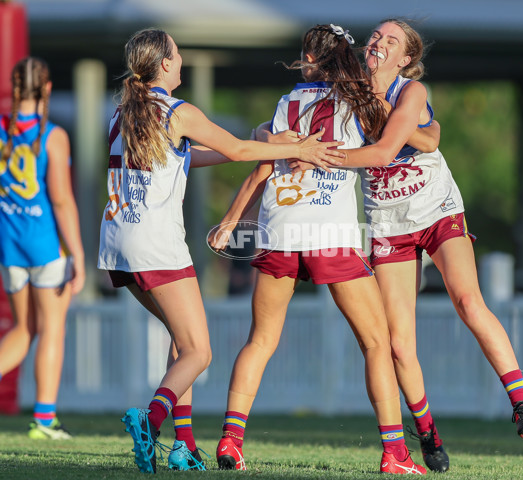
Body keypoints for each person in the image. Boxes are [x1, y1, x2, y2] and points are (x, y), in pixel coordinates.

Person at [292, 18, 523, 472]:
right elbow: (424, 136)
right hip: (388, 222)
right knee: (398, 344)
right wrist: (269, 141)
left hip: (435, 209)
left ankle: (522, 400)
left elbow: (385, 153)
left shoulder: (409, 92)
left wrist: (322, 156)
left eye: (392, 41)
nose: (379, 43)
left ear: (406, 58)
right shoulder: (348, 90)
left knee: (468, 301)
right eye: (375, 37)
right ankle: (426, 430)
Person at [96, 28, 345, 474]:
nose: (181, 58)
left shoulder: (124, 112)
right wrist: (297, 146)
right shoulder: (178, 110)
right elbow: (236, 147)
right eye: (177, 52)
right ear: (166, 63)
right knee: (200, 351)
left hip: (117, 244)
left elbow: (188, 157)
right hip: (157, 245)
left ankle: (185, 446)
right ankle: (150, 422)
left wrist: (257, 147)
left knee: (181, 339)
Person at [209, 24, 433, 475]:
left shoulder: (286, 102)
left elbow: (261, 165)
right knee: (377, 343)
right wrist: (429, 131)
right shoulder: (361, 100)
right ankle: (395, 453)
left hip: (279, 229)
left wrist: (231, 222)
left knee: (261, 339)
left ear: (308, 59)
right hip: (329, 232)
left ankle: (231, 441)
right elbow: (405, 140)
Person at [0, 57, 86, 440]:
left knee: (23, 329)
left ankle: (45, 418)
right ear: (47, 89)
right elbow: (63, 202)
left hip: (9, 248)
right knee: (51, 329)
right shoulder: (53, 135)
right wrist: (79, 254)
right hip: (46, 247)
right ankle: (45, 419)